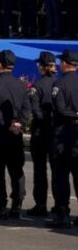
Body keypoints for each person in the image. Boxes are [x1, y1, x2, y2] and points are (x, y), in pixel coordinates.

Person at [0, 49, 28, 219]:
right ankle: (17, 204)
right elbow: (26, 107)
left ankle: (0, 205)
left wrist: (5, 124)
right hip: (15, 134)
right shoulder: (21, 84)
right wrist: (18, 123)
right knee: (16, 170)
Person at [47, 48, 78, 228]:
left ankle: (62, 213)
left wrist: (74, 115)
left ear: (65, 64)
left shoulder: (60, 84)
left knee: (61, 178)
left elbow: (58, 109)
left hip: (62, 137)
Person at [26, 51, 56, 217]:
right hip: (56, 131)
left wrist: (44, 120)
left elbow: (35, 110)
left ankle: (41, 204)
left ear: (42, 67)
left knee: (40, 170)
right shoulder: (59, 83)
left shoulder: (38, 85)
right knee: (58, 171)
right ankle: (60, 204)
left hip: (40, 132)